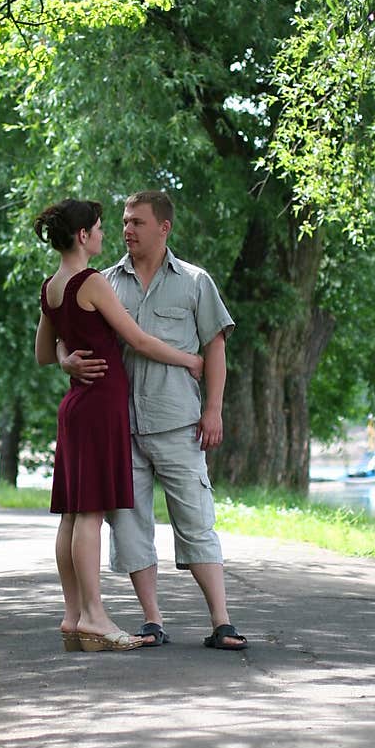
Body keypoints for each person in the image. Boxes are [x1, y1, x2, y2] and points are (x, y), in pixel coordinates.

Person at [57, 191, 248, 652]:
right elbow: (63, 333)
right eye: (123, 222)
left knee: (195, 519)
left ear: (164, 228)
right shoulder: (101, 281)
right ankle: (152, 620)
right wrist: (67, 364)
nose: (127, 230)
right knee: (130, 526)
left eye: (138, 223)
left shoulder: (195, 282)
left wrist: (214, 409)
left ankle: (221, 622)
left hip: (178, 420)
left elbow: (214, 348)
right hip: (118, 428)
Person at [34, 197, 204, 653]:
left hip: (74, 404)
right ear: (83, 236)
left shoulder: (51, 286)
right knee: (90, 513)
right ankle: (94, 615)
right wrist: (189, 358)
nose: (107, 235)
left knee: (73, 514)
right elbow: (140, 339)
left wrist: (68, 358)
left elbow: (44, 354)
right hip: (99, 405)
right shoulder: (92, 282)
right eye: (101, 228)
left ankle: (73, 617)